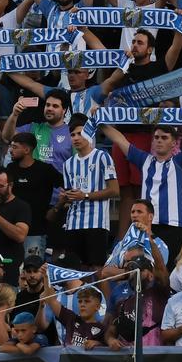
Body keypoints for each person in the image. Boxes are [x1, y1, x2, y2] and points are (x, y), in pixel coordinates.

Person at [100, 123, 182, 258]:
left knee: (166, 272)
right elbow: (119, 139)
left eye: (164, 138)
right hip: (147, 225)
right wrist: (100, 122)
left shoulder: (180, 162)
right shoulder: (144, 160)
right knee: (145, 269)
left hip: (172, 226)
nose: (159, 140)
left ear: (173, 143)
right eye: (156, 137)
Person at [56, 115, 118, 268]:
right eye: (73, 134)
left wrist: (85, 195)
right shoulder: (68, 164)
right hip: (73, 223)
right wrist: (65, 198)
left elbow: (114, 190)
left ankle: (103, 294)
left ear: (89, 134)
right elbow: (71, 194)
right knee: (76, 270)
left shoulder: (103, 157)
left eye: (80, 133)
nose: (76, 138)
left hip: (96, 222)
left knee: (98, 269)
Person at [4, 132, 59, 258]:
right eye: (11, 146)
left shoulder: (45, 169)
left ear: (27, 150)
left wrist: (58, 206)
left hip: (36, 230)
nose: (11, 151)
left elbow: (66, 187)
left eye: (15, 147)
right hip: (12, 230)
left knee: (33, 270)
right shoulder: (10, 169)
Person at [2, 90, 72, 172]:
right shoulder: (33, 128)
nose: (49, 108)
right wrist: (14, 114)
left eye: (55, 106)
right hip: (32, 182)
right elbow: (7, 136)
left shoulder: (72, 133)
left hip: (59, 183)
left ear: (64, 110)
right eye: (47, 105)